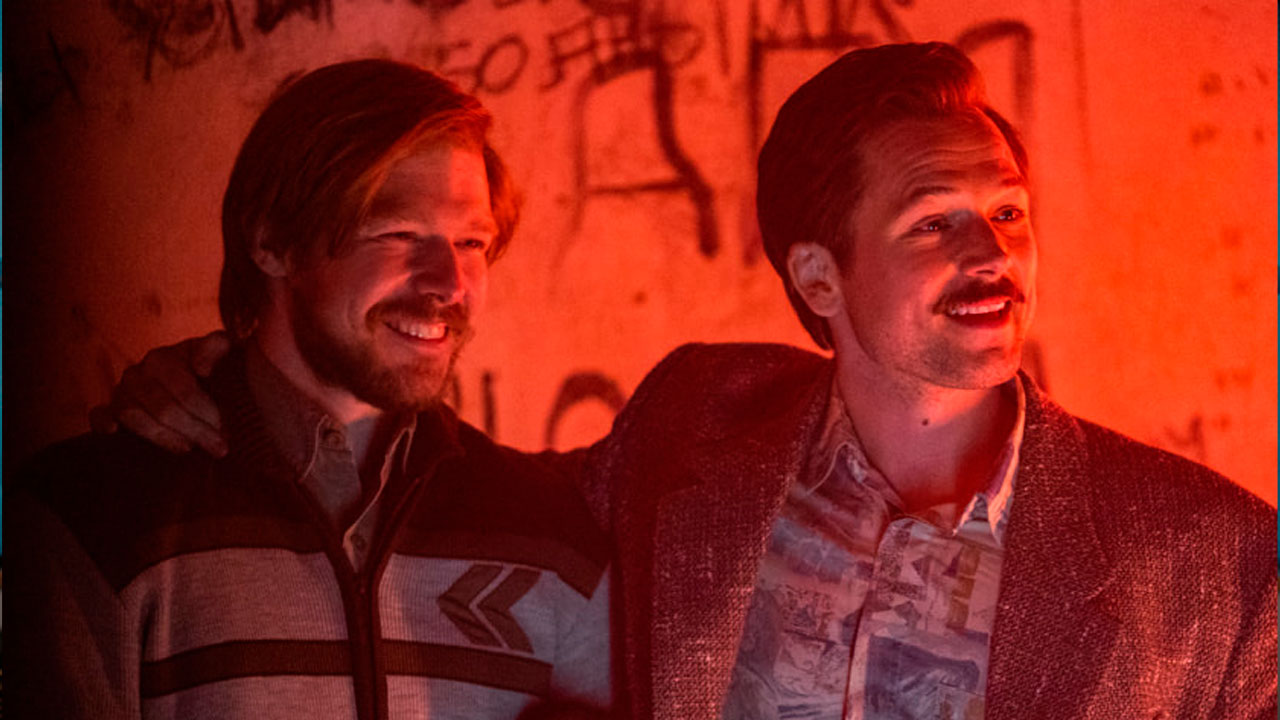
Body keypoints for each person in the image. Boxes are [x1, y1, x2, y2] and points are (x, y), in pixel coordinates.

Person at [87, 43, 1276, 719]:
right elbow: (434, 485)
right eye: (933, 221)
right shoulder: (691, 441)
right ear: (816, 275)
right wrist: (227, 380)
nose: (991, 255)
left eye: (1007, 213)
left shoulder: (1213, 565)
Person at [9, 60, 612, 720]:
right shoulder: (93, 519)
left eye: (472, 242)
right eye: (399, 234)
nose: (449, 282)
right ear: (271, 241)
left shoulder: (552, 535)